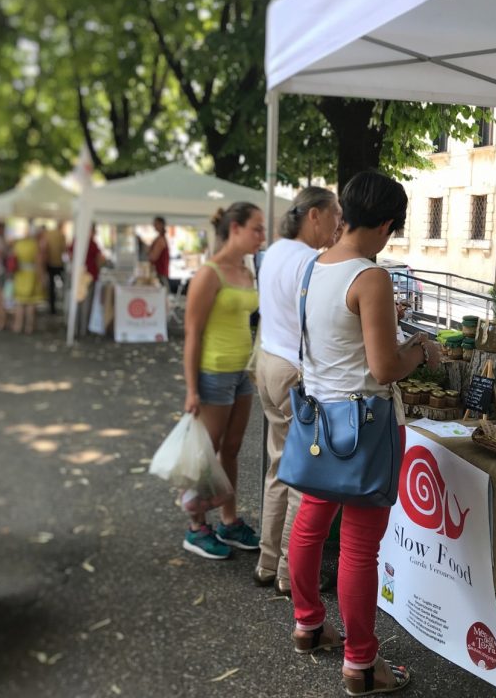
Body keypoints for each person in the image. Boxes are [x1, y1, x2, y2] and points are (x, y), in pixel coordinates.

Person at [287, 171, 439, 696]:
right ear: (387, 224)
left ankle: (308, 624)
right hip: (366, 426)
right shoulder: (370, 276)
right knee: (358, 548)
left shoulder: (316, 266)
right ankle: (360, 664)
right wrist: (421, 350)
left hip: (319, 422)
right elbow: (383, 368)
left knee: (310, 524)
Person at [254, 187, 342, 596]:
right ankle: (291, 574)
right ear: (314, 215)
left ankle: (267, 561)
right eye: (335, 215)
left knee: (276, 467)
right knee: (301, 478)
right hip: (295, 370)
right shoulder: (312, 261)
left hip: (268, 362)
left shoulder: (273, 251)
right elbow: (321, 322)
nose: (339, 224)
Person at [181, 202, 265, 559]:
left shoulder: (247, 269)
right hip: (213, 373)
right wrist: (191, 389)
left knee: (231, 449)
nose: (262, 236)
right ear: (235, 229)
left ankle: (228, 521)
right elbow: (192, 333)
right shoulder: (209, 273)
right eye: (257, 229)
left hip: (241, 372)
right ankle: (196, 527)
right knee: (205, 455)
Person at [11, 223, 47, 334]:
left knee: (19, 303)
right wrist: (42, 278)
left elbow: (13, 260)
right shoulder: (35, 246)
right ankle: (29, 327)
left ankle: (17, 326)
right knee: (31, 304)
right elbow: (39, 263)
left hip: (19, 275)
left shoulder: (17, 245)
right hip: (31, 276)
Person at [43, 223, 67, 315]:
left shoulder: (48, 234)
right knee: (64, 284)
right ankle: (63, 303)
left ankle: (52, 307)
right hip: (58, 263)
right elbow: (64, 249)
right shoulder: (61, 235)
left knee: (51, 287)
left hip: (49, 263)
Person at [148, 215, 169, 287]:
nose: (154, 226)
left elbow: (153, 256)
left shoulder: (161, 239)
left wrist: (148, 254)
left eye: (156, 224)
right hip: (160, 272)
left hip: (160, 272)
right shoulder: (159, 238)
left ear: (161, 225)